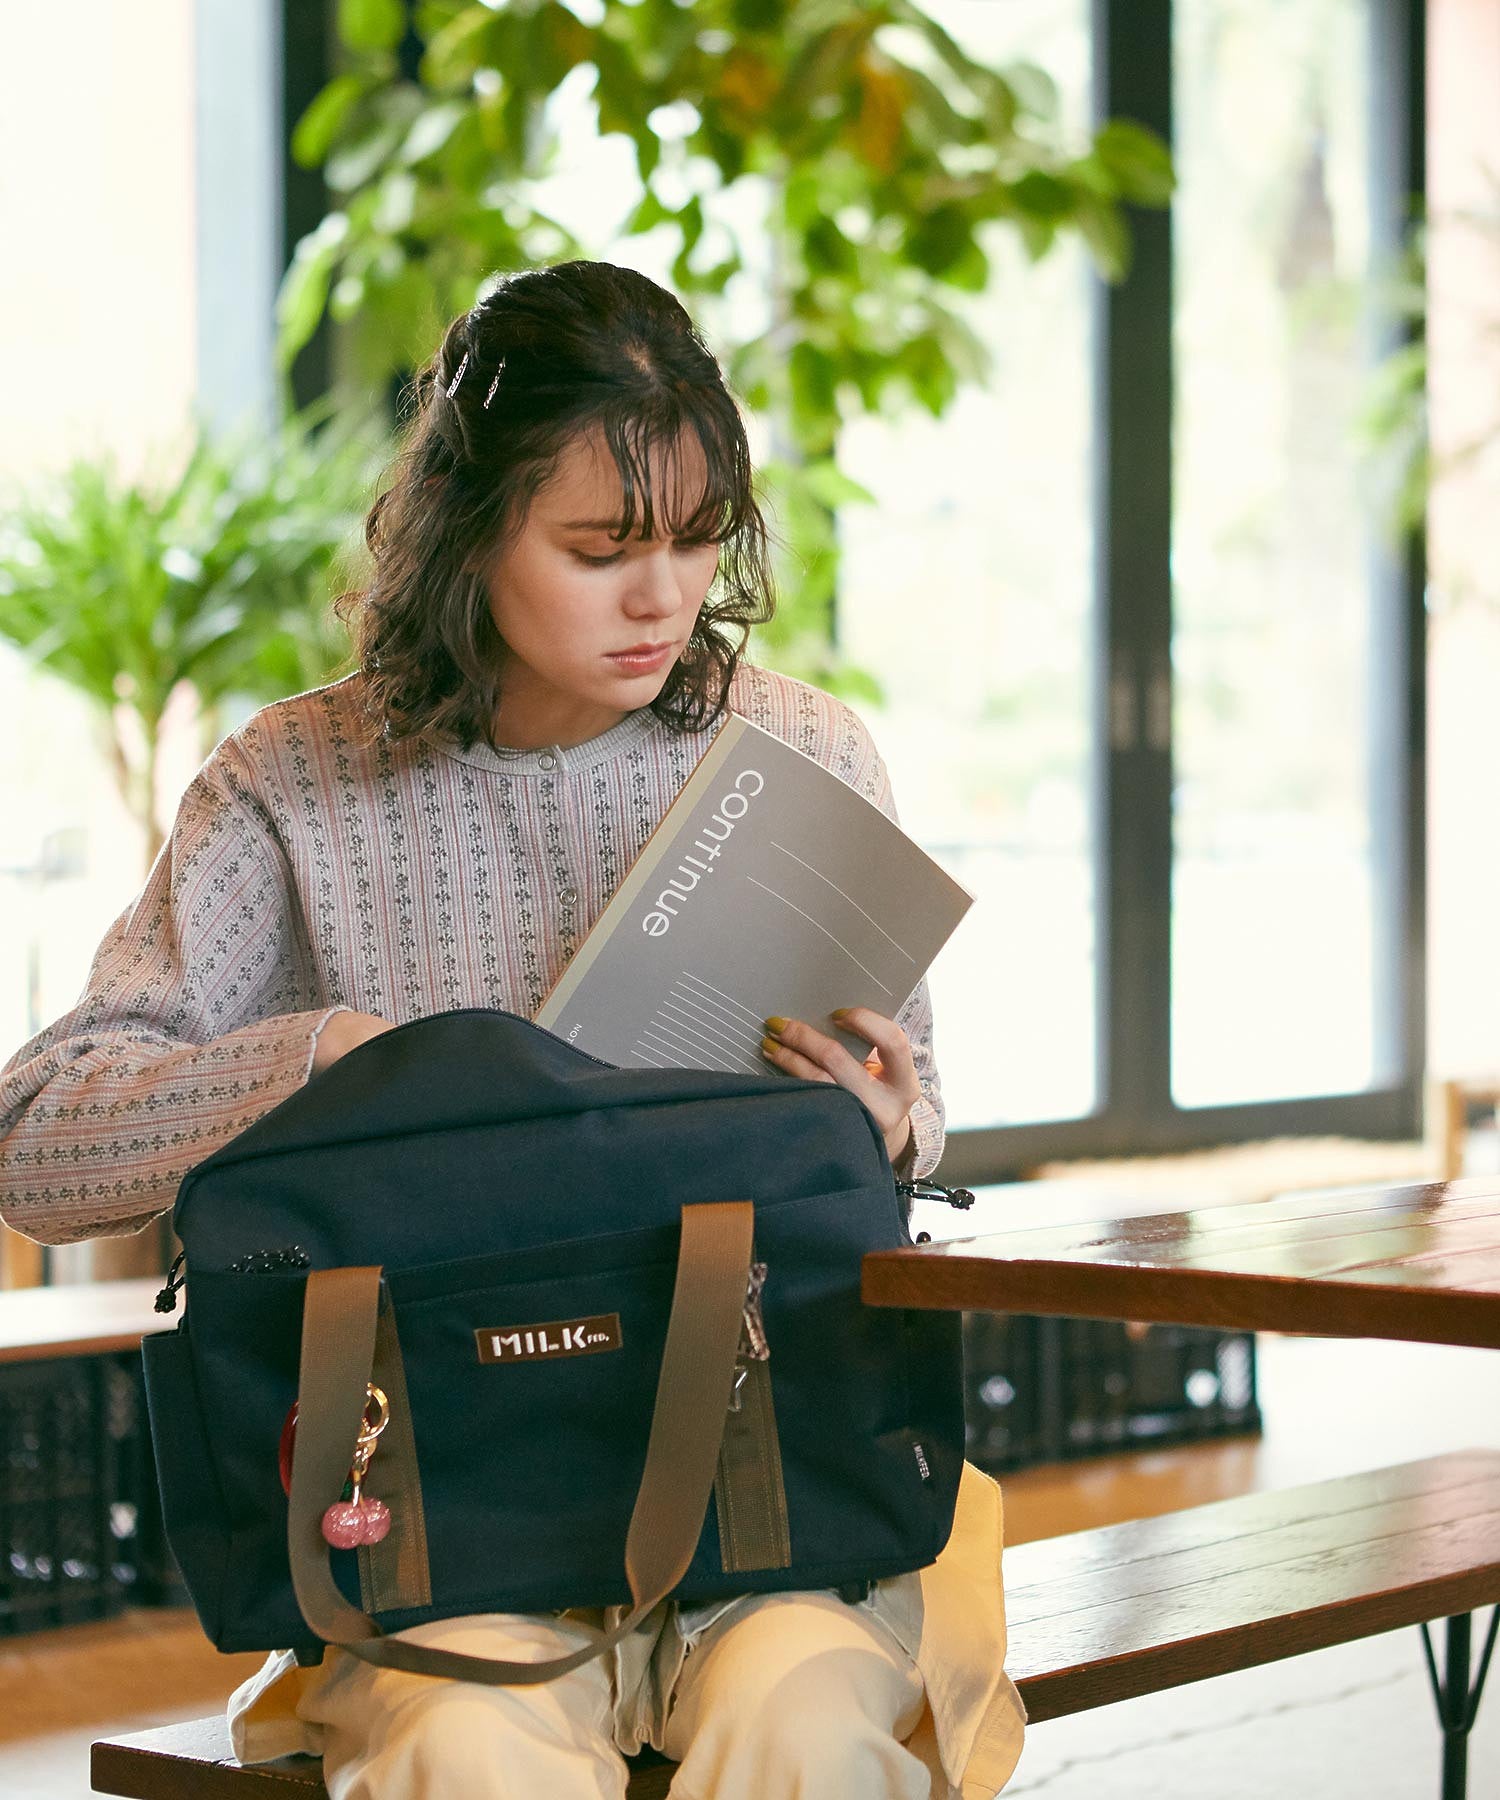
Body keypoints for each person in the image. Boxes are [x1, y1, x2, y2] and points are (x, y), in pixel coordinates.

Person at [0, 261, 1024, 1799]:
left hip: (772, 1505)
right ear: (467, 530)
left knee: (800, 1722)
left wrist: (890, 1119)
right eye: (601, 547)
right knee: (469, 1745)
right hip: (434, 1529)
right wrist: (322, 1062)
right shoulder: (293, 787)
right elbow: (39, 1144)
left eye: (693, 542)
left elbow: (907, 1121)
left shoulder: (798, 747)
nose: (663, 597)